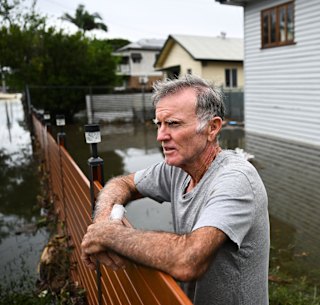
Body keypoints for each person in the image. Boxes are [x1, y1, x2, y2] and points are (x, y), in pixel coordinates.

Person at [80, 74, 270, 305]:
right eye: (158, 124)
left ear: (212, 128)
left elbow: (188, 260)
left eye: (173, 124)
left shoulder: (236, 179)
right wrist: (103, 221)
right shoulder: (177, 168)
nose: (161, 136)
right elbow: (122, 183)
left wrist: (111, 236)